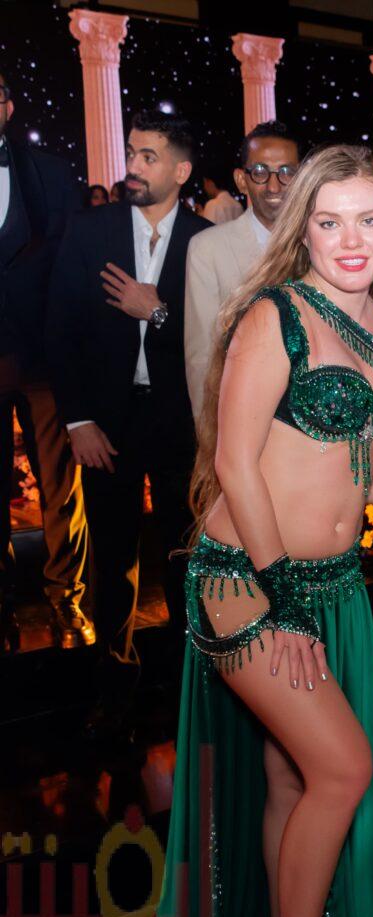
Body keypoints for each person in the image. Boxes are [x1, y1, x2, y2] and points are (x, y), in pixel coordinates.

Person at [107, 144, 373, 917]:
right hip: (248, 584)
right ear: (305, 231)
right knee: (345, 769)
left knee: (296, 778)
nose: (351, 239)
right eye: (330, 222)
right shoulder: (275, 315)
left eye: (369, 219)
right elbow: (235, 463)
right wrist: (285, 597)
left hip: (334, 582)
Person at [46, 110, 211, 726]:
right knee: (111, 561)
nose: (133, 167)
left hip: (180, 426)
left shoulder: (206, 242)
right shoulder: (89, 230)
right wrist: (77, 421)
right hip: (105, 426)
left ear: (182, 171)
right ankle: (113, 691)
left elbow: (218, 341)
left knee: (184, 558)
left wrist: (156, 311)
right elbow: (60, 329)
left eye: (148, 157)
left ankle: (192, 693)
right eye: (132, 154)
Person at [0, 66, 92, 652]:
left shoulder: (53, 174)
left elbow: (72, 272)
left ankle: (67, 599)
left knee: (61, 488)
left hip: (43, 360)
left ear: (7, 106)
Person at [184, 120, 301, 419]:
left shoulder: (320, 246)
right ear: (241, 179)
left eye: (286, 172)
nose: (274, 185)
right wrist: (210, 435)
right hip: (240, 420)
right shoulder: (208, 248)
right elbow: (202, 357)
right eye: (260, 172)